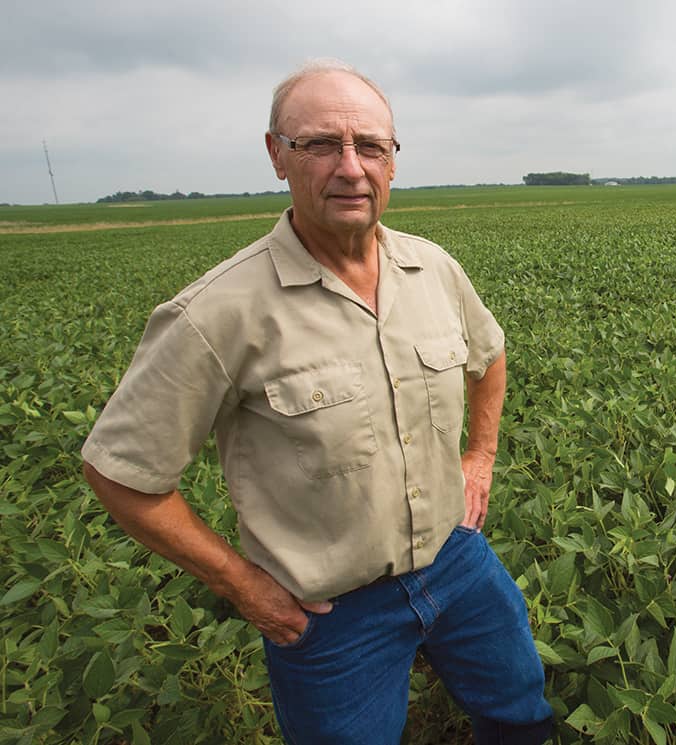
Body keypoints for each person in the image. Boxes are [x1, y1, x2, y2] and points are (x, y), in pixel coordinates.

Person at [81, 59, 553, 744]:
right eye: (322, 144)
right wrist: (241, 584)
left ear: (393, 161)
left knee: (520, 708)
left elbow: (491, 353)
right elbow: (120, 472)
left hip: (457, 557)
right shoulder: (217, 313)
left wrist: (478, 456)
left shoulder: (434, 269)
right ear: (278, 154)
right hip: (331, 612)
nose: (350, 167)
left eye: (370, 146)